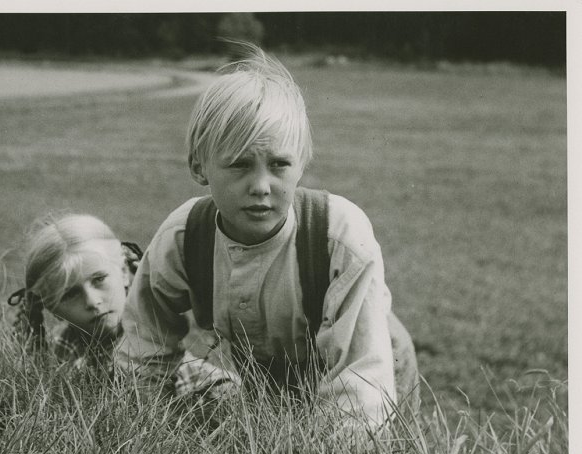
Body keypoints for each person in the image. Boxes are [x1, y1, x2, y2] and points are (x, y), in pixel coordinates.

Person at [116, 43, 418, 427]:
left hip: (370, 363)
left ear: (302, 163)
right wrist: (135, 423)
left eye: (278, 164)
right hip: (268, 372)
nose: (261, 185)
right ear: (199, 166)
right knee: (271, 443)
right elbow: (146, 337)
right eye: (239, 165)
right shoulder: (184, 235)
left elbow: (360, 383)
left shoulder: (339, 235)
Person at [8, 213, 239, 393]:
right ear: (52, 309)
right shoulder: (60, 347)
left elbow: (188, 375)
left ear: (124, 272)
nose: (92, 301)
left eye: (99, 280)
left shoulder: (150, 338)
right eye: (70, 295)